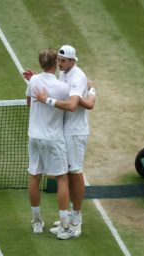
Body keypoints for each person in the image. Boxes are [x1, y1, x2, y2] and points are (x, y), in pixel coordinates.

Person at [23, 45, 96, 238]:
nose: (61, 63)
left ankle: (76, 221)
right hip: (60, 132)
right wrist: (35, 81)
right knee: (66, 176)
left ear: (73, 61)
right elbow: (60, 92)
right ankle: (69, 216)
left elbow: (80, 105)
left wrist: (92, 89)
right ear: (55, 62)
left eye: (64, 61)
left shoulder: (77, 78)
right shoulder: (62, 78)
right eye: (59, 60)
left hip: (74, 133)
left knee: (75, 173)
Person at [26, 48, 71, 239]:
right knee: (62, 178)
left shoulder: (33, 80)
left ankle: (37, 222)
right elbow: (70, 108)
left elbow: (29, 103)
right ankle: (64, 226)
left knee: (34, 176)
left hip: (34, 137)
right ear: (55, 63)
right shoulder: (62, 88)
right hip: (53, 138)